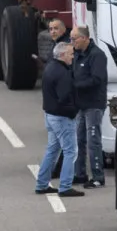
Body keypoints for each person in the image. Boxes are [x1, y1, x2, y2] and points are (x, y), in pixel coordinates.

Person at [34, 43, 83, 197]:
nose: (72, 56)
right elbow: (64, 98)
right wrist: (74, 110)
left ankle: (42, 184)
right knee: (71, 151)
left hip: (50, 115)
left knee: (52, 150)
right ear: (62, 55)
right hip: (62, 117)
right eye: (70, 54)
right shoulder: (63, 73)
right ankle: (65, 186)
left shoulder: (50, 67)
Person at [70, 26, 108, 187]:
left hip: (93, 104)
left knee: (93, 140)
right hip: (80, 104)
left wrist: (75, 86)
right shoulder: (77, 55)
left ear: (85, 38)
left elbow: (97, 79)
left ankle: (98, 176)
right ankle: (80, 173)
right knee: (78, 140)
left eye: (75, 39)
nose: (72, 42)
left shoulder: (97, 55)